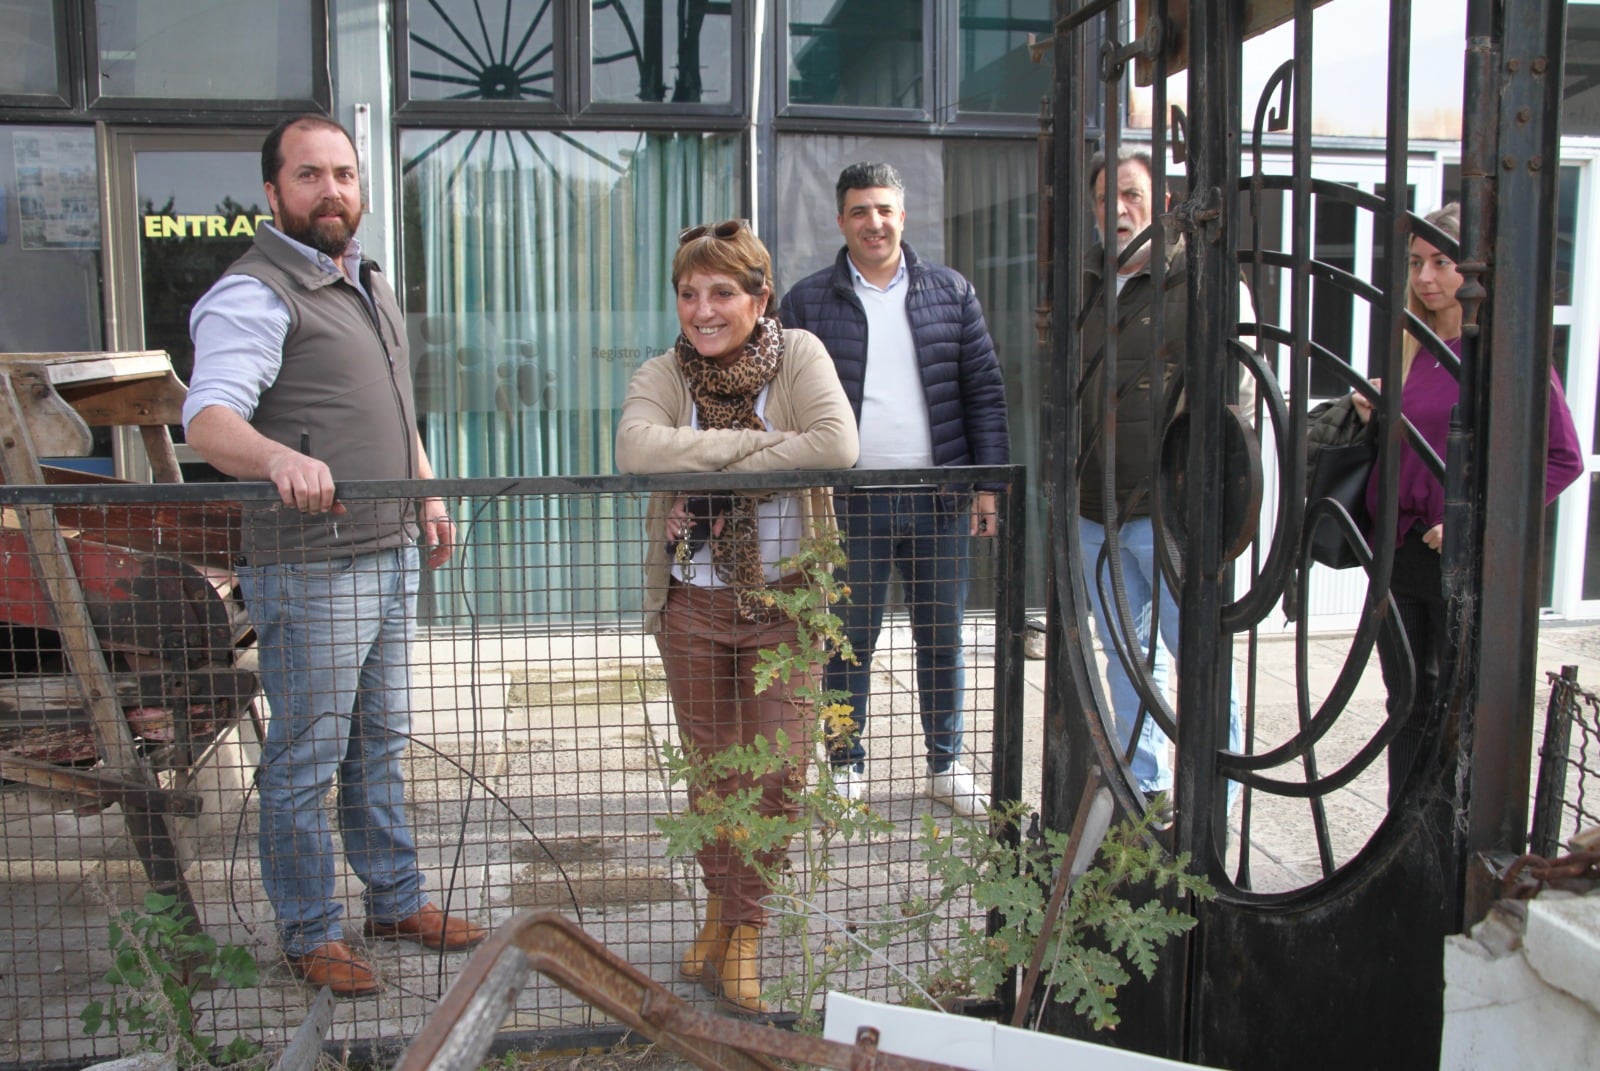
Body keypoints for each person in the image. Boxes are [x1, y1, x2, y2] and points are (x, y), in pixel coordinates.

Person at [184, 115, 486, 998]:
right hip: (313, 564)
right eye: (309, 175)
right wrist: (277, 458)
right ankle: (310, 931)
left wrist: (426, 489)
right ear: (272, 192)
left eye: (345, 174)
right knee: (307, 759)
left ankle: (394, 899)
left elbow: (396, 408)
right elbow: (208, 422)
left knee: (379, 745)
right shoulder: (255, 292)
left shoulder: (365, 281)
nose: (332, 190)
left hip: (388, 549)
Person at [615, 219, 859, 1013]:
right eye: (689, 293)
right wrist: (755, 449)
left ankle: (747, 931)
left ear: (760, 297)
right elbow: (635, 450)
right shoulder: (664, 372)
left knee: (778, 774)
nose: (703, 309)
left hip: (784, 602)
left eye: (722, 291)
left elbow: (837, 444)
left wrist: (700, 448)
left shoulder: (801, 357)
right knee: (713, 775)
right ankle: (721, 911)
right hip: (692, 604)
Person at [778, 162, 1010, 818]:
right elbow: (787, 403)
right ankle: (845, 764)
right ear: (840, 221)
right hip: (849, 504)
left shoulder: (952, 293)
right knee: (849, 638)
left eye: (884, 209)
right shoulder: (807, 301)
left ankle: (945, 762)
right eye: (859, 211)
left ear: (902, 217)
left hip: (939, 499)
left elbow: (984, 394)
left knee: (942, 636)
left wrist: (987, 487)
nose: (873, 222)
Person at [1352, 201, 1582, 802]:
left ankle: (1447, 836)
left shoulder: (1502, 354)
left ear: (1472, 272)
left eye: (1441, 262)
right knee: (1405, 699)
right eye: (1416, 262)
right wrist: (1378, 414)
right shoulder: (1415, 346)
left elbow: (1561, 458)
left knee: (1452, 701)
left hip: (1454, 558)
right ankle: (1402, 833)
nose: (1425, 277)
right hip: (1396, 552)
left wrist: (1474, 522)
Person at [1078, 145, 1248, 810]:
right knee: (1123, 654)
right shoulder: (1086, 282)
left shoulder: (1204, 283)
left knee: (1197, 656)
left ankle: (1215, 792)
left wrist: (1220, 501)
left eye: (1131, 195)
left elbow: (1241, 400)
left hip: (1173, 513)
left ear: (1164, 204)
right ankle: (1143, 784)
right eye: (1104, 199)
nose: (1117, 211)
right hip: (1096, 509)